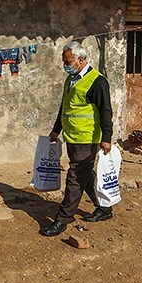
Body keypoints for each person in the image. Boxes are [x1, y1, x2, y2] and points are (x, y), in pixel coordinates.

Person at [41, 41, 114, 237]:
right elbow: (65, 107)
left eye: (68, 61)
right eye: (64, 61)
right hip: (72, 137)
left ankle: (62, 219)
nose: (65, 64)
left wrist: (106, 138)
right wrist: (56, 130)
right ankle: (104, 208)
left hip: (88, 139)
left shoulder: (98, 81)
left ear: (81, 60)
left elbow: (106, 111)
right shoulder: (71, 80)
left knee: (74, 177)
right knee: (85, 175)